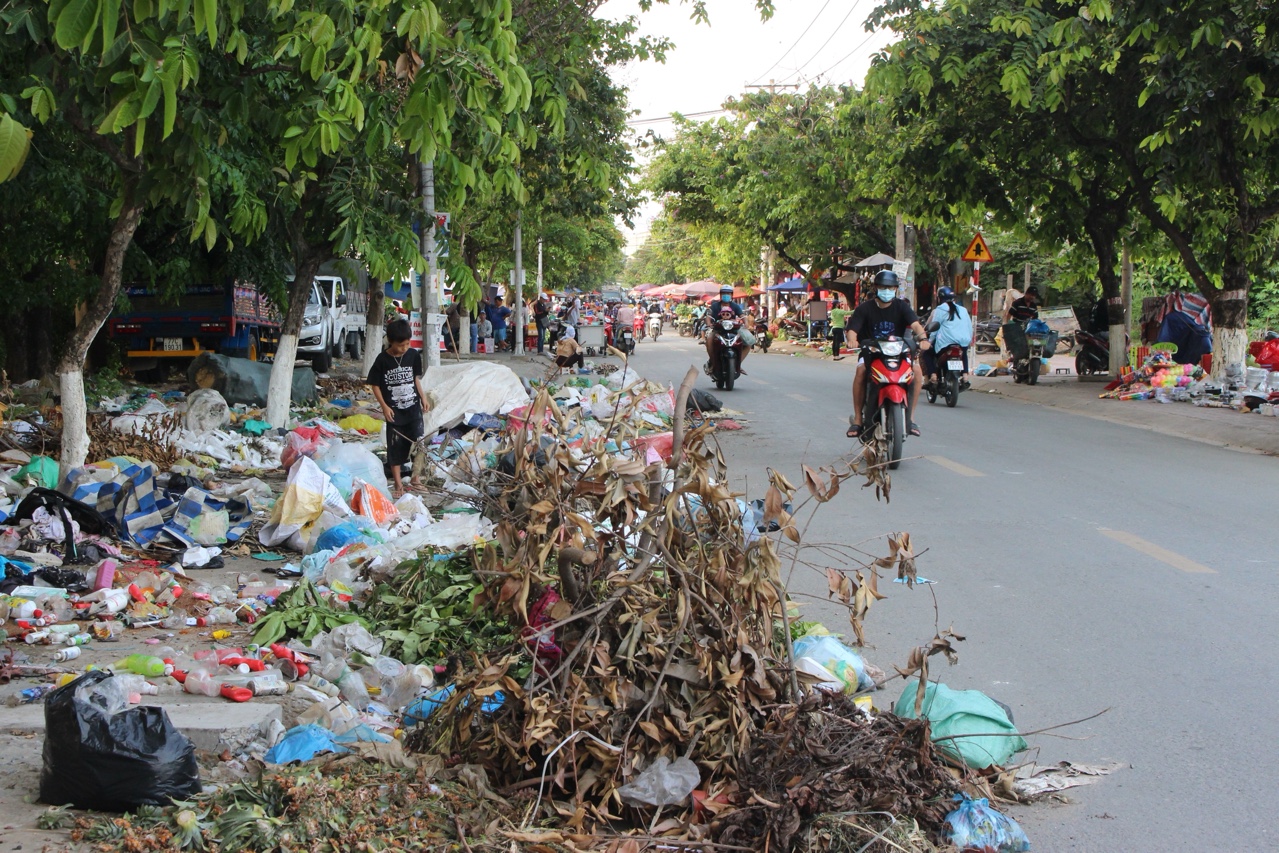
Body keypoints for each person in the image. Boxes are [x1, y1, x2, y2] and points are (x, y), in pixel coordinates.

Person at [845, 270, 930, 438]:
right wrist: (852, 340)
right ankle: (858, 420)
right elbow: (852, 330)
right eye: (884, 287)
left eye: (891, 288)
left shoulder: (902, 306)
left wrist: (923, 338)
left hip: (898, 353)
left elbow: (916, 325)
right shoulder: (864, 308)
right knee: (861, 371)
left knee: (917, 371)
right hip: (872, 353)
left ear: (896, 289)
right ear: (876, 288)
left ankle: (910, 419)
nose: (887, 291)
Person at [368, 318, 431, 494]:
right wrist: (384, 406)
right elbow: (375, 385)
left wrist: (423, 397)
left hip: (413, 409)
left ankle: (416, 479)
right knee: (395, 447)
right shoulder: (382, 360)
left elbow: (415, 379)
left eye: (407, 344)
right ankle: (398, 484)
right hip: (394, 412)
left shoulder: (413, 355)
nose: (404, 348)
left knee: (419, 442)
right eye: (401, 345)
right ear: (390, 341)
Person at [921, 286, 973, 384]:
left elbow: (935, 327)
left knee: (926, 353)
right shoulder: (963, 310)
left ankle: (933, 375)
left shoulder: (940, 310)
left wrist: (930, 342)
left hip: (945, 343)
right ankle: (965, 375)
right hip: (963, 341)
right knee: (964, 353)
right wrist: (968, 340)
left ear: (939, 298)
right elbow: (969, 327)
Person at [704, 284, 753, 367]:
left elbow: (742, 316)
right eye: (724, 293)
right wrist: (709, 324)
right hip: (717, 330)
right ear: (720, 295)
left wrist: (746, 323)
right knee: (709, 340)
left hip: (734, 330)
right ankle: (713, 363)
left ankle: (737, 365)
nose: (726, 295)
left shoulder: (735, 306)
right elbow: (708, 317)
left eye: (728, 293)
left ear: (731, 295)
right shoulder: (715, 306)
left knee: (748, 344)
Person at [829, 295, 849, 361]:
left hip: (834, 328)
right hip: (839, 328)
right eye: (838, 303)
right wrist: (857, 310)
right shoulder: (838, 311)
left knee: (834, 342)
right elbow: (847, 312)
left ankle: (834, 355)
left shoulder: (832, 311)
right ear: (837, 304)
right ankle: (837, 356)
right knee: (837, 343)